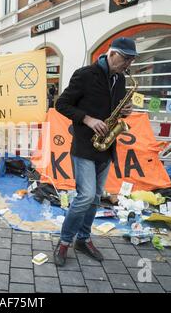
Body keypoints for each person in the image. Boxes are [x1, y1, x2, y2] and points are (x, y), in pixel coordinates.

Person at [53, 37, 136, 265]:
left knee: (96, 198)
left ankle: (84, 238)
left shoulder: (119, 79)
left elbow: (116, 108)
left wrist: (125, 111)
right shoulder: (85, 74)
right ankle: (64, 242)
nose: (128, 64)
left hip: (105, 146)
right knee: (85, 196)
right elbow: (61, 104)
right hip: (84, 145)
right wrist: (87, 119)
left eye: (131, 60)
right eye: (125, 59)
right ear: (112, 53)